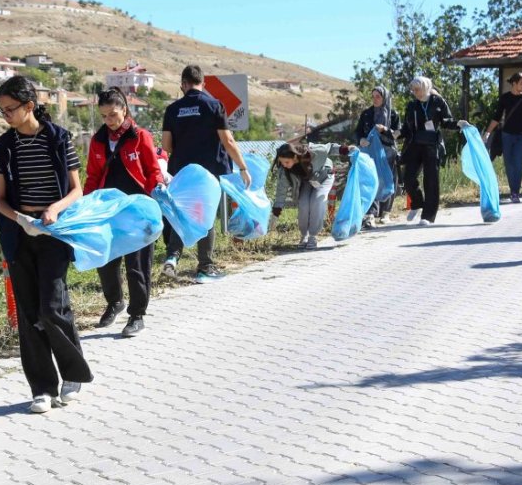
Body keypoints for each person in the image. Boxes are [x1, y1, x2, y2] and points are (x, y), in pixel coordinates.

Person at [0, 75, 92, 414]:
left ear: (29, 106)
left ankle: (73, 375)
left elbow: (77, 190)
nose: (5, 115)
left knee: (52, 306)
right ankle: (42, 387)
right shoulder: (4, 146)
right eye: (1, 110)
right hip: (19, 234)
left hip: (54, 231)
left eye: (10, 109)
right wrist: (21, 219)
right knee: (29, 313)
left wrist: (53, 210)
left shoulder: (60, 139)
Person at [83, 87, 163, 337]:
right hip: (109, 211)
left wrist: (156, 194)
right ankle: (115, 301)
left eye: (113, 114)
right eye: (104, 115)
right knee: (105, 260)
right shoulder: (97, 140)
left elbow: (153, 171)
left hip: (138, 211)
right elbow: (93, 176)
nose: (109, 120)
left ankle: (137, 314)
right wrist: (86, 206)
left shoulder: (141, 137)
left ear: (124, 110)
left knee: (137, 265)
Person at [161, 65, 251, 282]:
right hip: (209, 172)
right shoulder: (214, 105)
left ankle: (172, 258)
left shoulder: (172, 109)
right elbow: (227, 141)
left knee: (181, 213)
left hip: (181, 172)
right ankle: (205, 267)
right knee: (206, 215)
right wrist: (243, 167)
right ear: (203, 83)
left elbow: (166, 146)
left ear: (183, 84)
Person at [399, 76, 468, 225]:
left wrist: (458, 124)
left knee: (431, 181)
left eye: (417, 89)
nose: (414, 92)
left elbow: (446, 121)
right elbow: (406, 127)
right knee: (408, 178)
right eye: (413, 90)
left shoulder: (438, 102)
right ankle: (417, 204)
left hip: (432, 146)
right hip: (415, 145)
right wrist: (396, 133)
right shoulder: (412, 105)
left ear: (425, 87)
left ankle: (427, 217)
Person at [484, 72, 522, 203]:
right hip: (507, 135)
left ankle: (516, 192)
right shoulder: (505, 98)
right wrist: (487, 133)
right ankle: (512, 190)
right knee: (509, 164)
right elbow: (497, 116)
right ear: (514, 83)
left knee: (518, 164)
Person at [271, 142, 334, 248]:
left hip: (324, 177)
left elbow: (329, 147)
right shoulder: (286, 170)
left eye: (286, 162)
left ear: (295, 157)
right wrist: (275, 214)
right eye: (282, 162)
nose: (284, 165)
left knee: (317, 200)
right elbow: (281, 191)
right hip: (307, 181)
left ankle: (313, 236)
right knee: (303, 203)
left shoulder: (312, 152)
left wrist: (345, 150)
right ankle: (304, 235)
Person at [354, 86, 400, 227]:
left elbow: (398, 134)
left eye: (378, 96)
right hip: (370, 152)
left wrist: (385, 130)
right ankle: (370, 213)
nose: (375, 99)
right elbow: (358, 131)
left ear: (384, 97)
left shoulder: (393, 114)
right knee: (371, 179)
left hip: (387, 152)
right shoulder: (367, 114)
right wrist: (360, 139)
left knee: (387, 180)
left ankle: (385, 212)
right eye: (373, 96)